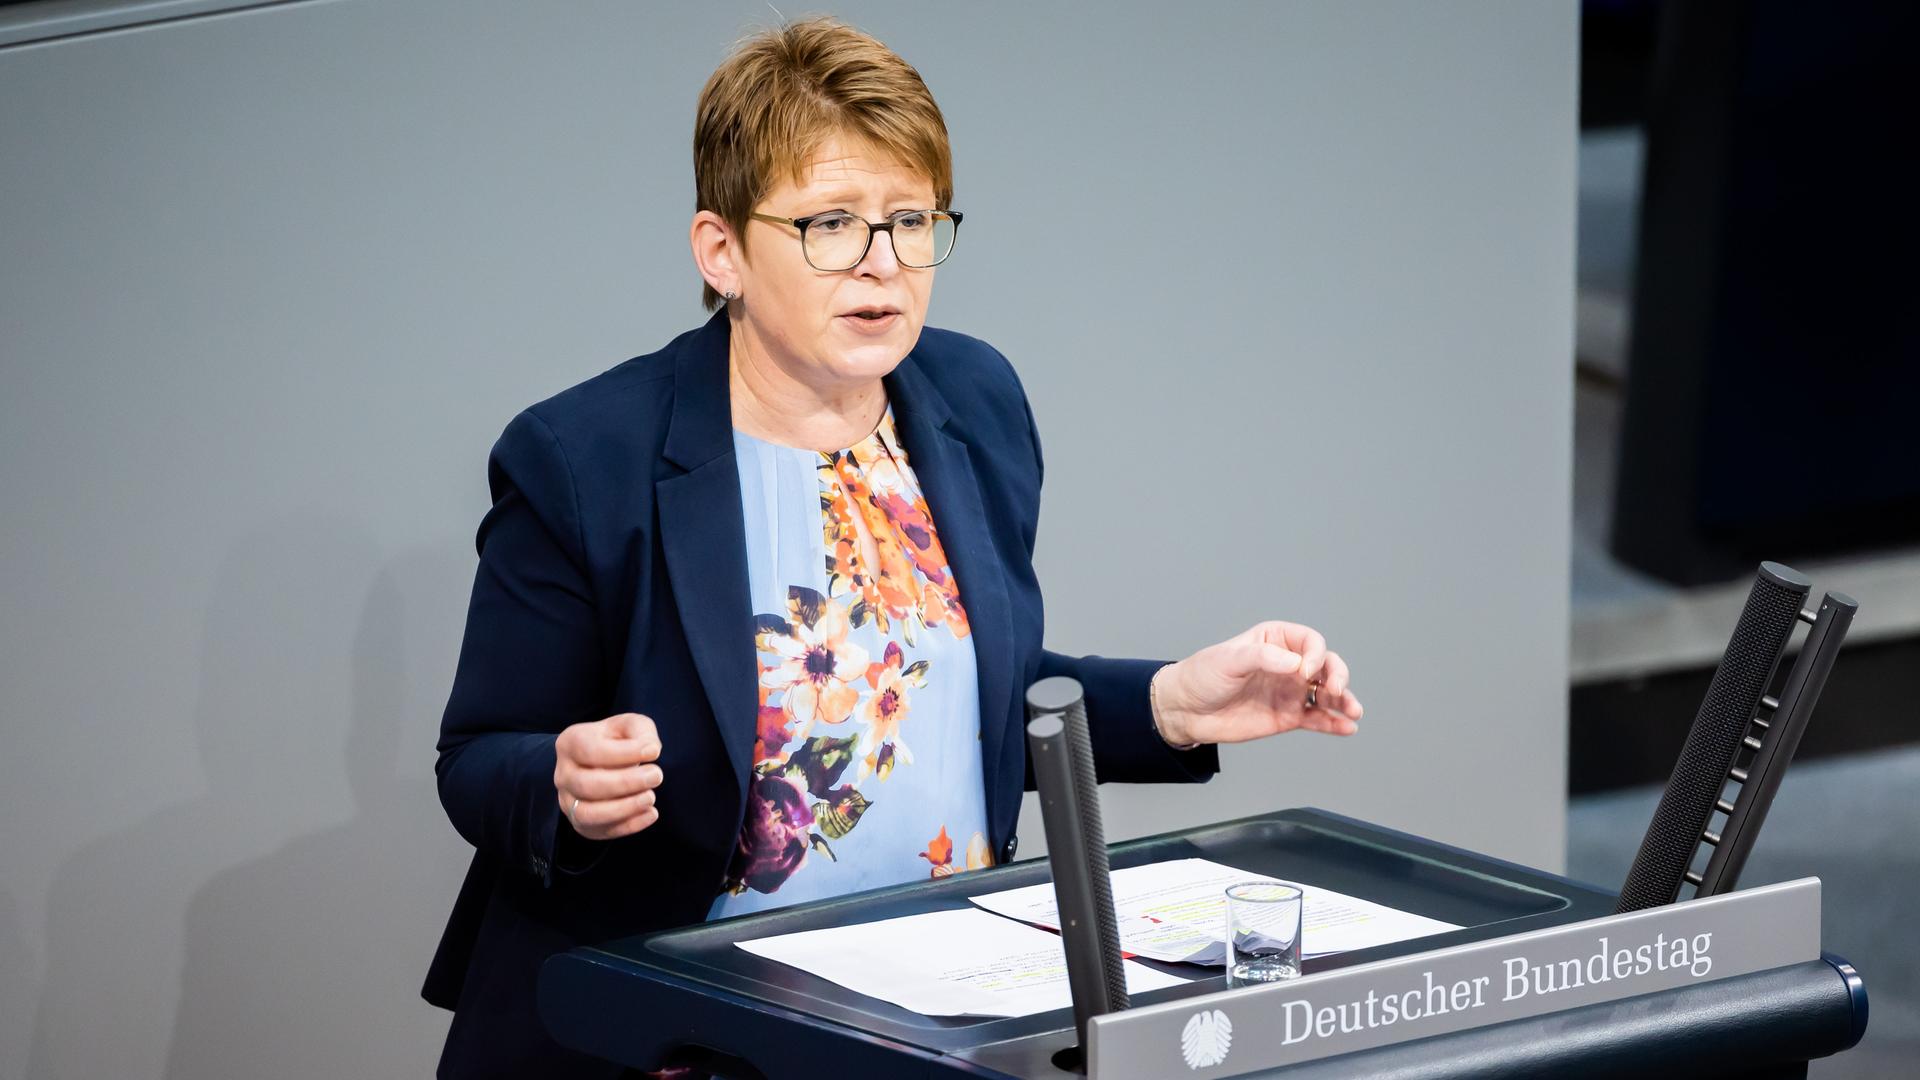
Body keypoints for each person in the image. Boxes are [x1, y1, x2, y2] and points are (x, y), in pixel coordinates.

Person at [421, 17, 1362, 1079]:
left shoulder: (972, 399)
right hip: (668, 1036)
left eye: (910, 221)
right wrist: (560, 784)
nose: (884, 264)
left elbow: (941, 702)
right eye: (831, 224)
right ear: (720, 249)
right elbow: (479, 758)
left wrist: (1171, 705)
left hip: (928, 1021)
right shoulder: (586, 457)